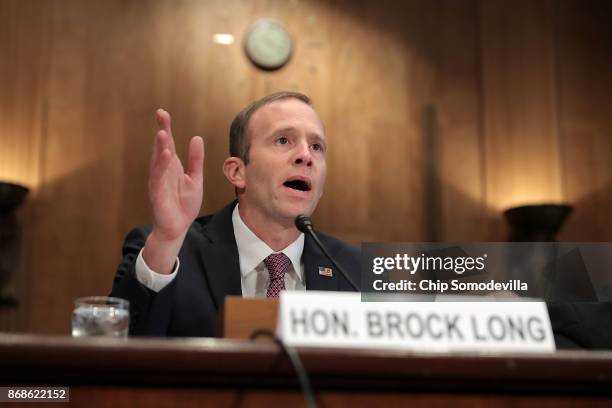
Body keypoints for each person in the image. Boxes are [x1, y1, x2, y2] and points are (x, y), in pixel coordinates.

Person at [111, 92, 360, 337]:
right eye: (283, 140)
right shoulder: (168, 253)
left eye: (316, 146)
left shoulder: (361, 270)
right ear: (237, 172)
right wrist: (165, 241)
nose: (306, 156)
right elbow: (113, 359)